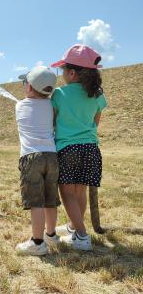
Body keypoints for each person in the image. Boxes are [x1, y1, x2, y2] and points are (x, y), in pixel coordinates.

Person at [50, 44, 107, 251]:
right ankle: (75, 227)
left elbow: (53, 123)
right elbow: (95, 122)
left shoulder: (59, 95)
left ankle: (82, 236)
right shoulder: (97, 95)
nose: (61, 74)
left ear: (72, 73)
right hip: (91, 149)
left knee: (66, 192)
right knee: (80, 190)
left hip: (68, 150)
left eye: (62, 70)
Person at [15, 66, 60, 256]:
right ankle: (51, 235)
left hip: (31, 157)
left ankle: (38, 243)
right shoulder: (53, 106)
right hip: (52, 156)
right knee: (51, 200)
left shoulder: (20, 106)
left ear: (30, 87)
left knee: (36, 202)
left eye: (25, 82)